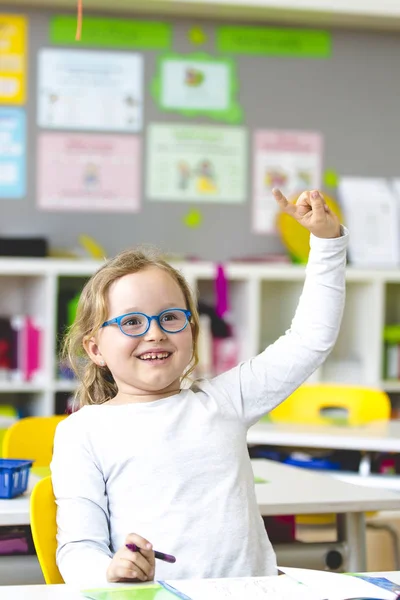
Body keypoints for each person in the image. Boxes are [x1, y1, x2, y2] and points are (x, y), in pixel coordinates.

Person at [51, 188, 348, 586]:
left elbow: (310, 340)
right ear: (95, 348)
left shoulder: (225, 401)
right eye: (132, 323)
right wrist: (109, 571)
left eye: (171, 318)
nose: (155, 334)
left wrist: (327, 243)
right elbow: (77, 549)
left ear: (192, 331)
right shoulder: (81, 433)